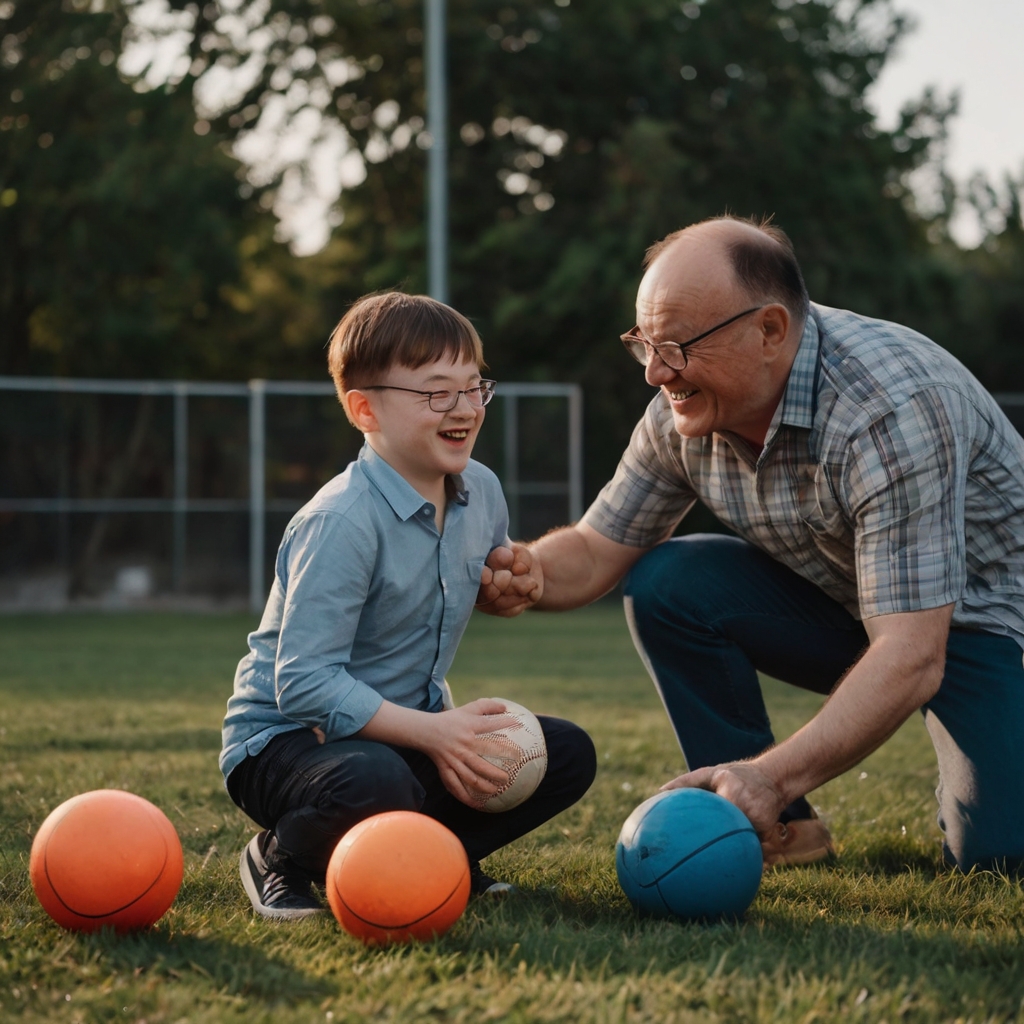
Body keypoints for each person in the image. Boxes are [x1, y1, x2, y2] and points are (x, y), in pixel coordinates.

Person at [477, 215, 1024, 873]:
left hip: (987, 629)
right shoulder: (682, 415)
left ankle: (766, 792)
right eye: (643, 344)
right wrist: (530, 571)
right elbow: (596, 550)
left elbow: (912, 654)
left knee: (999, 859)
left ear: (769, 330)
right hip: (861, 612)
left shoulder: (887, 410)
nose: (655, 373)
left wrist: (772, 773)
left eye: (676, 346)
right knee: (670, 582)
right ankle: (781, 832)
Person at [221, 292, 596, 919]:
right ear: (364, 408)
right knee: (376, 782)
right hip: (288, 744)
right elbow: (303, 683)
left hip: (405, 733)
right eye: (436, 393)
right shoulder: (341, 520)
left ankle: (436, 856)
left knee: (565, 754)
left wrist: (508, 583)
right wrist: (437, 733)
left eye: (476, 388)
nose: (466, 409)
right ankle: (279, 856)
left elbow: (481, 575)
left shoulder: (482, 488)